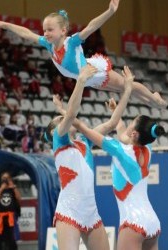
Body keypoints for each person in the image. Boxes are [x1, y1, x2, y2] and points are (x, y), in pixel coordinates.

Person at [0, 0, 167, 109]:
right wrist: (7, 26)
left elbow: (91, 26)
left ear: (63, 30)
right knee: (123, 88)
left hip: (94, 71)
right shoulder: (48, 44)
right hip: (88, 78)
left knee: (127, 85)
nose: (45, 33)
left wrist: (111, 11)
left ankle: (154, 98)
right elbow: (27, 34)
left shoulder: (72, 42)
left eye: (50, 30)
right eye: (44, 29)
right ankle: (152, 101)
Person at [42, 65, 133, 249]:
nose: (63, 120)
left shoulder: (85, 140)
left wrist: (128, 89)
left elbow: (112, 123)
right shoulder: (59, 142)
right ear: (54, 133)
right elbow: (71, 115)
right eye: (59, 121)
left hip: (91, 212)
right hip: (69, 211)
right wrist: (81, 81)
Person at [72, 114, 165, 250]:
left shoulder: (119, 150)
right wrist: (115, 110)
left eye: (132, 122)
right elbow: (122, 132)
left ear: (134, 133)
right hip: (153, 223)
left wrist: (66, 114)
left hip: (133, 223)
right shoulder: (148, 148)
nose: (128, 124)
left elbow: (85, 130)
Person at [0, 171, 21, 250]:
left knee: (11, 239)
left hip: (10, 217)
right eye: (3, 178)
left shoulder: (12, 189)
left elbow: (19, 198)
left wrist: (13, 187)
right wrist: (1, 188)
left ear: (10, 179)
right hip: (0, 217)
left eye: (7, 178)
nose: (5, 180)